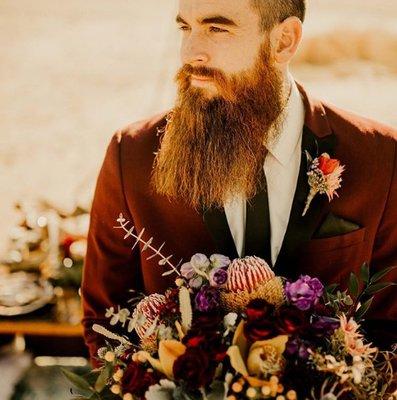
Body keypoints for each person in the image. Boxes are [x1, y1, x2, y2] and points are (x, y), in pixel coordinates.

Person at [82, 0, 397, 366]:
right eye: (186, 27)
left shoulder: (381, 157)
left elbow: (389, 325)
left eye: (217, 29)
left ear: (284, 41)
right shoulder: (131, 155)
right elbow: (104, 319)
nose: (190, 53)